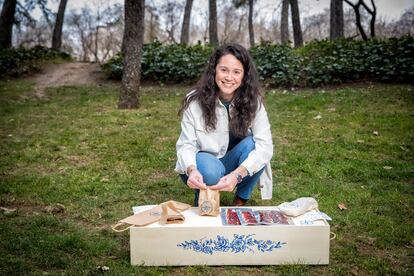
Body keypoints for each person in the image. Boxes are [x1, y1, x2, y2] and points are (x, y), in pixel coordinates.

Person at [175, 43, 273, 207]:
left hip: (234, 164)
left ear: (244, 76)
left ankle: (240, 199)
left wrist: (237, 175)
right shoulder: (195, 102)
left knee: (255, 146)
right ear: (214, 70)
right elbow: (186, 145)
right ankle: (204, 200)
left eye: (236, 72)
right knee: (211, 171)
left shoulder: (253, 102)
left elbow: (266, 146)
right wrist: (192, 170)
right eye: (224, 70)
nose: (229, 77)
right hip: (204, 165)